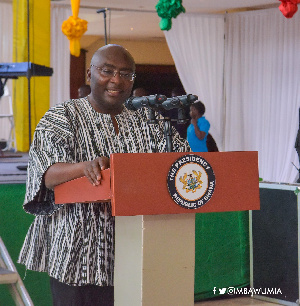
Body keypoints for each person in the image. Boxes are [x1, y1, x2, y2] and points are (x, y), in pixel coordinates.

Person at [17, 44, 189, 306]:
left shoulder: (148, 119)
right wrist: (83, 167)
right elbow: (45, 173)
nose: (116, 80)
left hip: (138, 253)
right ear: (90, 74)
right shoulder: (62, 116)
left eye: (125, 74)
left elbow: (182, 162)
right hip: (80, 255)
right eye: (107, 71)